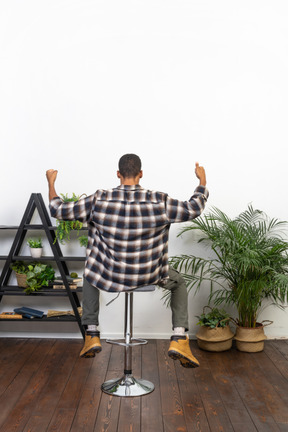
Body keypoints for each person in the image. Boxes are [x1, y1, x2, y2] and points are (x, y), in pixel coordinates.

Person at [46, 154, 208, 368]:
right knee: (178, 283)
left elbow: (58, 210)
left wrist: (51, 182)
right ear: (141, 174)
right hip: (149, 275)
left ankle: (92, 333)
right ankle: (179, 338)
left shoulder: (99, 199)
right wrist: (201, 181)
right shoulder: (159, 200)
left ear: (118, 175)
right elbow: (193, 209)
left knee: (91, 272)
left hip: (111, 274)